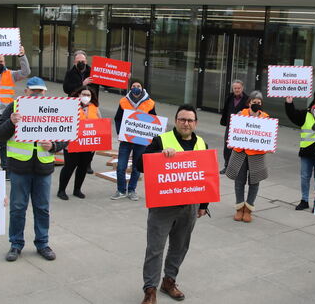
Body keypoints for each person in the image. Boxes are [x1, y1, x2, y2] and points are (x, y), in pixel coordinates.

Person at [136, 104, 210, 304]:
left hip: (189, 207)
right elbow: (138, 164)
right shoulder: (161, 140)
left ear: (195, 123)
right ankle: (149, 290)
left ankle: (169, 281)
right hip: (163, 206)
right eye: (182, 119)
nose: (186, 123)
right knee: (155, 248)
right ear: (176, 121)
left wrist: (204, 204)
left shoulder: (202, 143)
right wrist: (159, 155)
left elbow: (205, 176)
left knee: (179, 247)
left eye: (190, 120)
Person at [0, 77, 67, 262]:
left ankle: (42, 243)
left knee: (42, 208)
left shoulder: (54, 109)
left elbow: (65, 136)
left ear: (45, 92)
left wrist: (53, 146)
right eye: (33, 90)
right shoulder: (14, 107)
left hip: (43, 168)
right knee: (17, 208)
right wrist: (11, 122)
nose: (36, 94)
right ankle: (16, 244)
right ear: (25, 91)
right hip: (20, 167)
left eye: (40, 91)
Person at [226, 91, 270, 223]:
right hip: (240, 152)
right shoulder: (241, 115)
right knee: (239, 181)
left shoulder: (266, 118)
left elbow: (268, 137)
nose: (256, 104)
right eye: (253, 102)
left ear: (261, 104)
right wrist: (230, 141)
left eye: (258, 102)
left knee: (254, 181)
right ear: (249, 102)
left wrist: (269, 145)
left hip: (256, 155)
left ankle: (248, 209)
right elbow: (233, 131)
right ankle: (239, 208)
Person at [112, 79, 156, 201]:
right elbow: (118, 119)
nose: (136, 87)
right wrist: (121, 134)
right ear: (130, 88)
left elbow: (154, 120)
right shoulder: (123, 101)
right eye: (133, 86)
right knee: (121, 166)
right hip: (126, 139)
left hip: (141, 140)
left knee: (136, 167)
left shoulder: (150, 103)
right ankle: (121, 190)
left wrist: (150, 135)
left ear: (142, 88)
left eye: (138, 86)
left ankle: (132, 190)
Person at [57, 85, 101, 200]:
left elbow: (100, 125)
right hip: (72, 143)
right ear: (78, 95)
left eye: (88, 95)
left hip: (88, 143)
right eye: (84, 94)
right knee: (69, 167)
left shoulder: (95, 108)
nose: (86, 97)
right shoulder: (70, 107)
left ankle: (77, 190)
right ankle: (61, 190)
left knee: (82, 167)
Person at [219, 80, 248, 174]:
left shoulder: (247, 99)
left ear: (242, 88)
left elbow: (250, 112)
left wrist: (243, 112)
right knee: (227, 147)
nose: (237, 90)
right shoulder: (229, 97)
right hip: (230, 125)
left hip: (241, 128)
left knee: (238, 149)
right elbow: (226, 109)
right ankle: (227, 166)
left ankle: (237, 168)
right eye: (235, 88)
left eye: (239, 88)